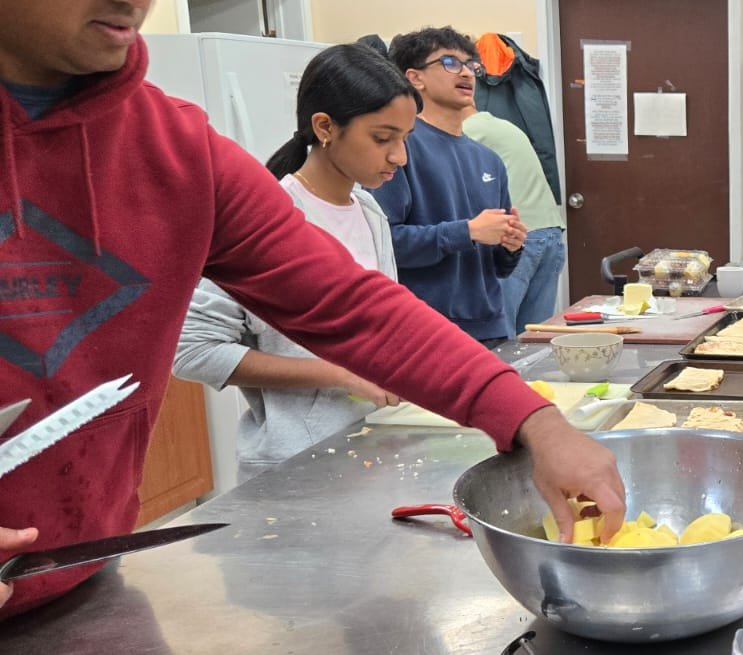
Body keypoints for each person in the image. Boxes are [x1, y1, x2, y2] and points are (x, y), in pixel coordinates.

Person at [0, 1, 622, 619]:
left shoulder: (175, 149)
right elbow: (205, 348)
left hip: (84, 575)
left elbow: (354, 306)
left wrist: (537, 423)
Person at [172, 44, 415, 484]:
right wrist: (338, 375)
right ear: (324, 127)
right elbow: (192, 351)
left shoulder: (369, 211)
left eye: (404, 139)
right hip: (295, 467)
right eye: (383, 139)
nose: (400, 157)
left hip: (367, 447)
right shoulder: (261, 219)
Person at [370, 26, 527, 346]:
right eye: (449, 62)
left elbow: (499, 267)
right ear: (415, 78)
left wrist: (510, 246)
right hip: (426, 333)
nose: (467, 72)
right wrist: (466, 231)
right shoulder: (400, 149)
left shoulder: (489, 160)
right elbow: (383, 244)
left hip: (491, 328)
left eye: (471, 64)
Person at [460, 102, 565, 332]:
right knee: (533, 339)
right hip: (550, 232)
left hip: (515, 239)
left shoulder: (468, 132)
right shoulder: (504, 126)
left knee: (502, 339)